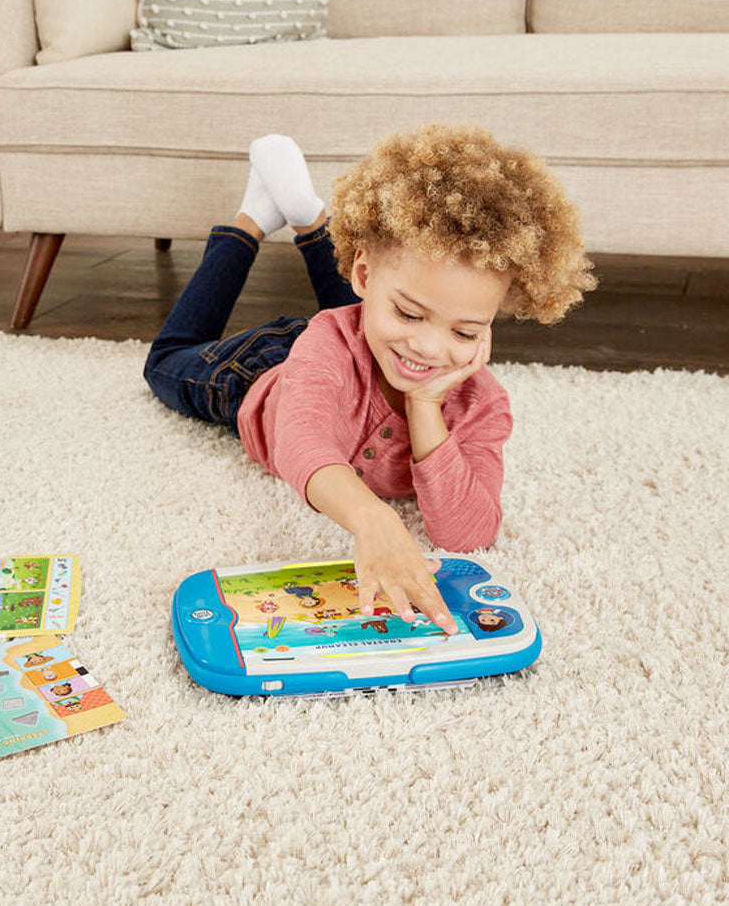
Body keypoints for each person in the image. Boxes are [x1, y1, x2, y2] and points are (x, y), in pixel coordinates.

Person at [143, 126, 595, 633]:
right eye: (412, 314)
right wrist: (374, 518)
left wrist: (424, 403)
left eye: (465, 331)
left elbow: (469, 534)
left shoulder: (481, 405)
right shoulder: (331, 341)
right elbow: (302, 443)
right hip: (259, 372)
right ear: (361, 274)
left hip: (371, 339)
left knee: (381, 315)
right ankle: (253, 220)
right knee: (164, 361)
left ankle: (308, 218)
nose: (431, 348)